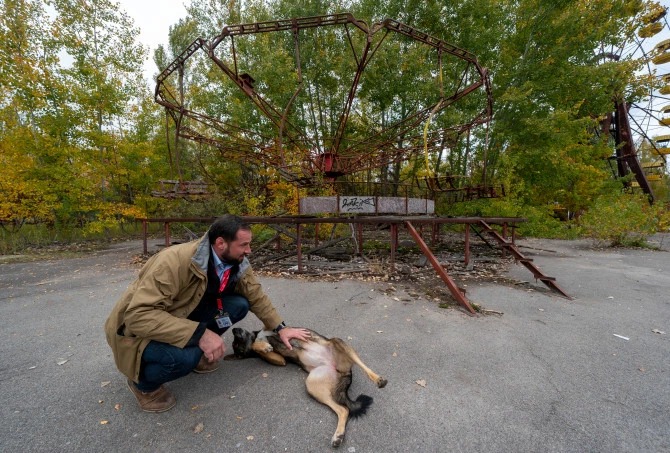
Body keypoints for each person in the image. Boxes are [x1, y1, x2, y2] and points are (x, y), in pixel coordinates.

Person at [104, 214, 310, 413]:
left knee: (239, 305)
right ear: (221, 243)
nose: (249, 250)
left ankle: (198, 351)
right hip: (135, 333)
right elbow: (138, 317)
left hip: (177, 316)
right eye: (244, 245)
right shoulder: (173, 262)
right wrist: (200, 334)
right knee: (184, 358)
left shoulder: (236, 262)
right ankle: (143, 386)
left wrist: (281, 328)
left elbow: (255, 295)